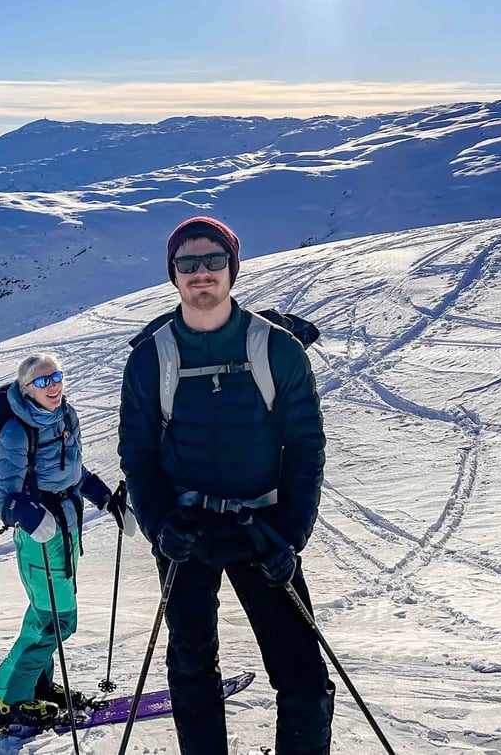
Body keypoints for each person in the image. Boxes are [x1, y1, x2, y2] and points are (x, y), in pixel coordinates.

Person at [118, 216, 334, 754]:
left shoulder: (277, 348)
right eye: (187, 262)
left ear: (232, 268)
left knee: (302, 670)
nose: (201, 272)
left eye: (213, 260)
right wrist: (160, 525)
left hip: (263, 527)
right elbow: (138, 455)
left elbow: (305, 445)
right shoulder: (150, 358)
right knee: (192, 669)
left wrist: (290, 536)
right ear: (173, 273)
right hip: (185, 531)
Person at [0, 352, 129, 728]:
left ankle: (37, 686)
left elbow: (73, 471)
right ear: (27, 389)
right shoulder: (16, 432)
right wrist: (34, 518)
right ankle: (10, 701)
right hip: (40, 538)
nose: (53, 386)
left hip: (67, 529)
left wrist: (105, 499)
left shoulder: (66, 416)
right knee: (58, 620)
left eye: (56, 377)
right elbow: (5, 500)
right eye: (43, 381)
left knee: (42, 615)